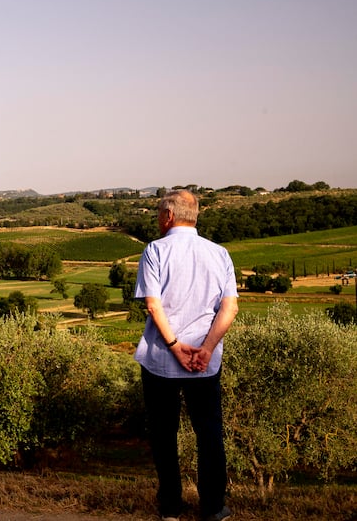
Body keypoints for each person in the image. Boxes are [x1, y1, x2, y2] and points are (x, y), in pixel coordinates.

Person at [134, 189, 238, 521]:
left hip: (161, 361)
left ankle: (170, 508)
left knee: (164, 435)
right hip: (205, 364)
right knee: (209, 434)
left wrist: (176, 347)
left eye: (158, 215)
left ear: (168, 216)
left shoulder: (155, 250)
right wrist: (206, 349)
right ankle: (213, 508)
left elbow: (153, 304)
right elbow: (230, 308)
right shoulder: (219, 253)